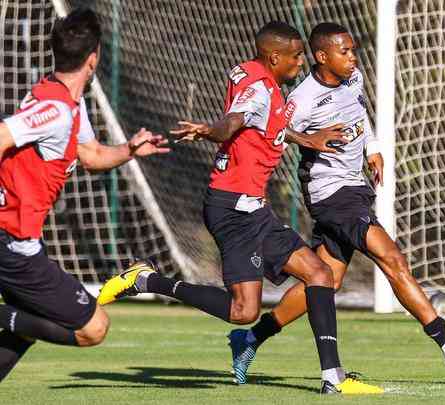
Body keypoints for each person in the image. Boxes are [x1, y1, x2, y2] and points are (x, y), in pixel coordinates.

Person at [97, 21, 382, 395]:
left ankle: (333, 377)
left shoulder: (267, 84)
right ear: (274, 57)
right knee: (242, 312)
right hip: (232, 211)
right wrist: (211, 130)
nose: (301, 63)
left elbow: (267, 126)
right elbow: (234, 120)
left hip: (255, 210)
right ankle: (146, 280)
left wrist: (304, 138)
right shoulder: (260, 89)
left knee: (319, 275)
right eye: (296, 57)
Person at [227, 22, 445, 385]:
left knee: (324, 282)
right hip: (331, 194)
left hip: (355, 188)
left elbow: (360, 114)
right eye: (344, 52)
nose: (353, 57)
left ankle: (250, 338)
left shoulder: (353, 79)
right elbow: (271, 129)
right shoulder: (301, 99)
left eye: (352, 50)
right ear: (322, 57)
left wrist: (373, 149)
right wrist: (307, 139)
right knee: (392, 258)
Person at [0, 8, 170, 382]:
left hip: (18, 240)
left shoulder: (64, 101)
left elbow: (91, 155)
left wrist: (129, 149)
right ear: (93, 59)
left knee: (27, 327)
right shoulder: (54, 109)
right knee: (92, 328)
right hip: (12, 243)